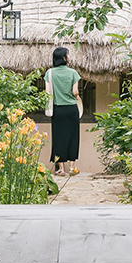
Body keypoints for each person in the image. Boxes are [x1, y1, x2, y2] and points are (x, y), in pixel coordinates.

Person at [44, 46, 81, 176]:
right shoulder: (73, 73)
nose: (69, 57)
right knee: (73, 137)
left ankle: (61, 168)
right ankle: (72, 168)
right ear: (64, 58)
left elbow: (47, 92)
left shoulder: (50, 73)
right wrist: (77, 97)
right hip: (71, 109)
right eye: (68, 55)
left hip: (58, 109)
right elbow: (75, 92)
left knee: (59, 138)